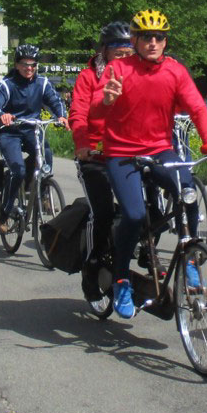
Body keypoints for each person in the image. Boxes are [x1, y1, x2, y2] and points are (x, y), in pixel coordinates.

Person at [96, 10, 207, 319]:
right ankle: (121, 279)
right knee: (133, 213)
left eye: (159, 37)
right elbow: (94, 113)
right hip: (122, 153)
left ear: (165, 41)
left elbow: (197, 108)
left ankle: (191, 260)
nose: (153, 42)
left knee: (188, 191)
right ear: (135, 40)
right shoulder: (118, 68)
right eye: (146, 37)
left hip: (159, 149)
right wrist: (107, 100)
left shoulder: (175, 71)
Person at [70, 22, 136, 299]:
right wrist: (83, 145)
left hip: (128, 151)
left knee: (148, 210)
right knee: (104, 212)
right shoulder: (89, 77)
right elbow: (78, 112)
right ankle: (93, 265)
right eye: (117, 51)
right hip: (96, 154)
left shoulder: (137, 74)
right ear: (105, 50)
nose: (123, 56)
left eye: (127, 50)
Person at [0, 44, 66, 230]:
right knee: (18, 170)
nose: (29, 68)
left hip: (31, 128)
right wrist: (1, 115)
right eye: (24, 64)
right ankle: (4, 215)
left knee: (46, 153)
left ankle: (43, 192)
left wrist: (61, 115)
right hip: (9, 131)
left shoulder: (42, 83)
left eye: (32, 64)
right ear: (16, 64)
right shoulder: (6, 85)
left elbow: (55, 100)